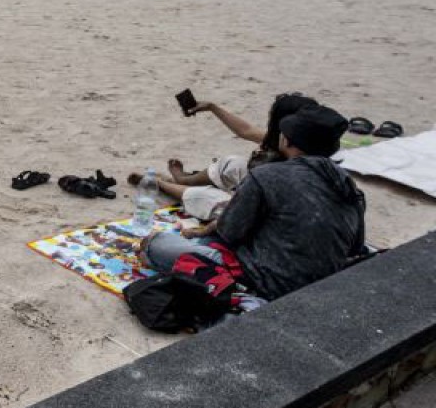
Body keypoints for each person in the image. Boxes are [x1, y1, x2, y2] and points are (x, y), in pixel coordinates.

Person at [141, 105, 364, 301]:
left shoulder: (267, 176)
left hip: (268, 282)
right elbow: (355, 246)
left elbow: (229, 233)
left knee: (155, 244)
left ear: (286, 140)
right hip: (323, 283)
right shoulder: (347, 184)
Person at [132, 93, 320, 224]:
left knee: (208, 198)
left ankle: (161, 184)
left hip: (270, 210)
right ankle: (184, 180)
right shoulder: (293, 140)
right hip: (262, 190)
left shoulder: (299, 154)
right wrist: (212, 107)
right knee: (233, 164)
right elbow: (245, 130)